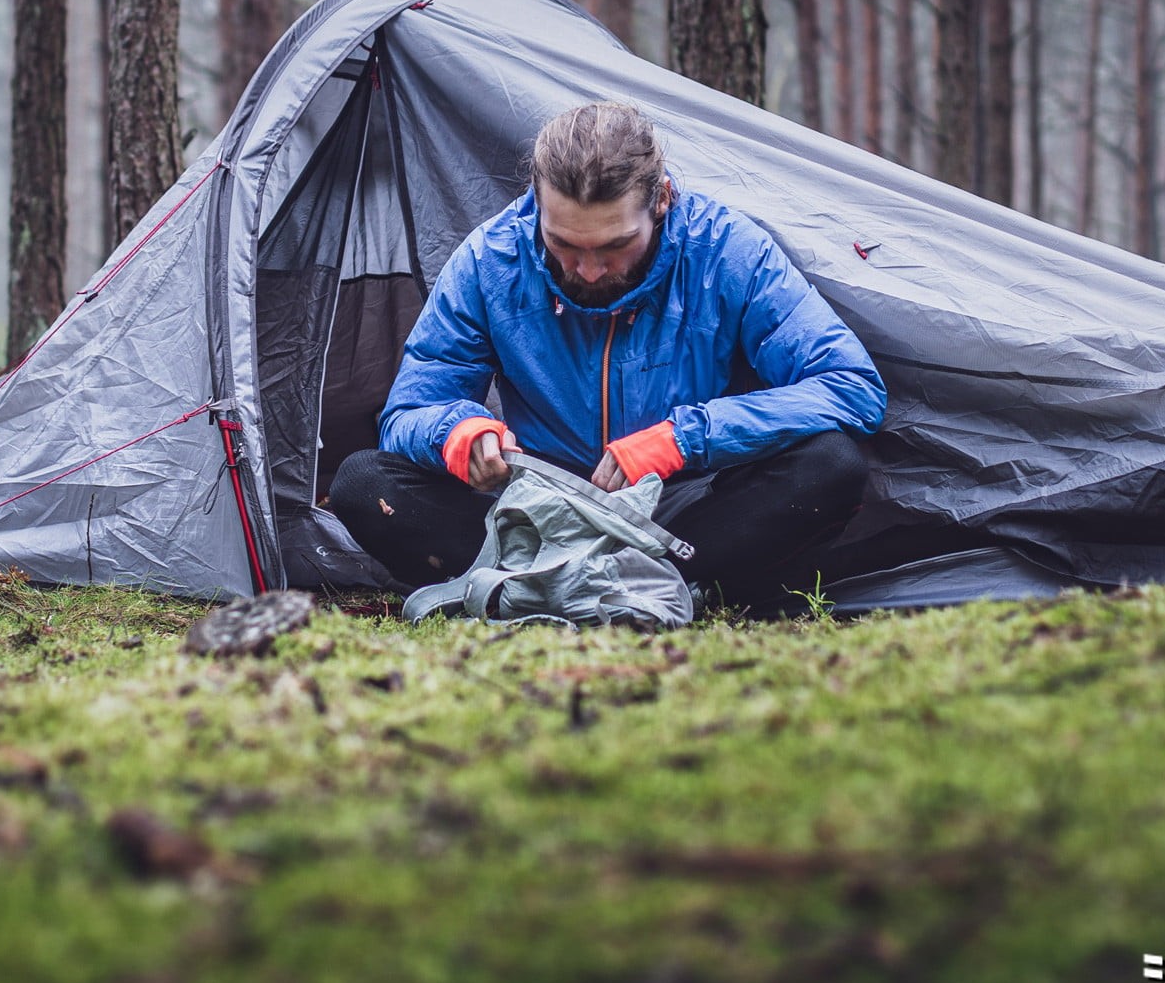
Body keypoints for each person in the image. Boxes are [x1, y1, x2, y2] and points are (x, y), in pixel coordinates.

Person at [329, 100, 886, 614]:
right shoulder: (487, 261)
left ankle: (599, 589)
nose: (589, 270)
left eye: (615, 246)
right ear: (537, 206)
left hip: (678, 510)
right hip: (531, 513)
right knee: (361, 483)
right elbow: (408, 414)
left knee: (831, 467)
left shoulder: (728, 251)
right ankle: (598, 588)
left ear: (661, 199)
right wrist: (459, 434)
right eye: (564, 245)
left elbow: (851, 387)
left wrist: (682, 439)